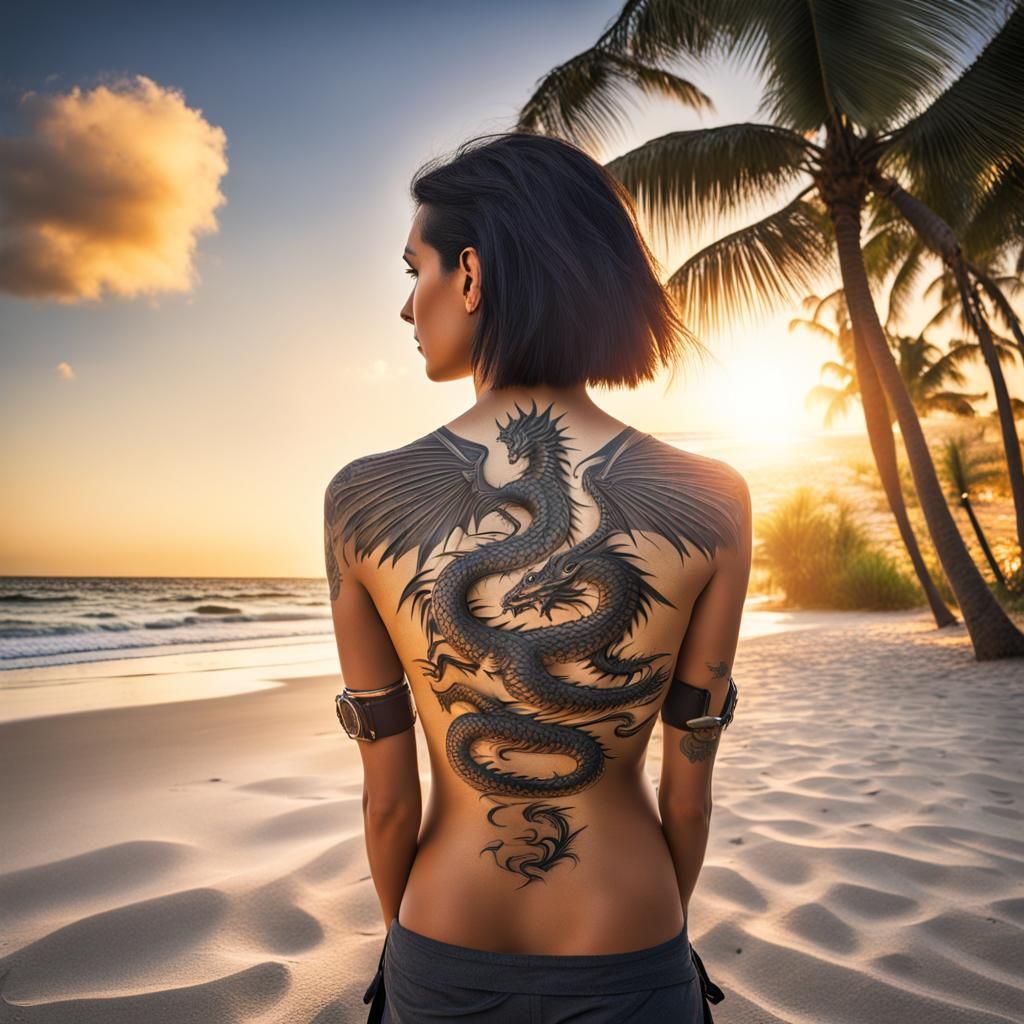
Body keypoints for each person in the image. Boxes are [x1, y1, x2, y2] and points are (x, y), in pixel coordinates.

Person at [324, 130, 751, 1024]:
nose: (408, 309)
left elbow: (389, 804)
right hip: (629, 928)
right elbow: (689, 792)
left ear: (470, 276)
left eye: (415, 271)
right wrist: (656, 924)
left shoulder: (361, 499)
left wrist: (407, 948)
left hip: (442, 931)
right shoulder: (713, 498)